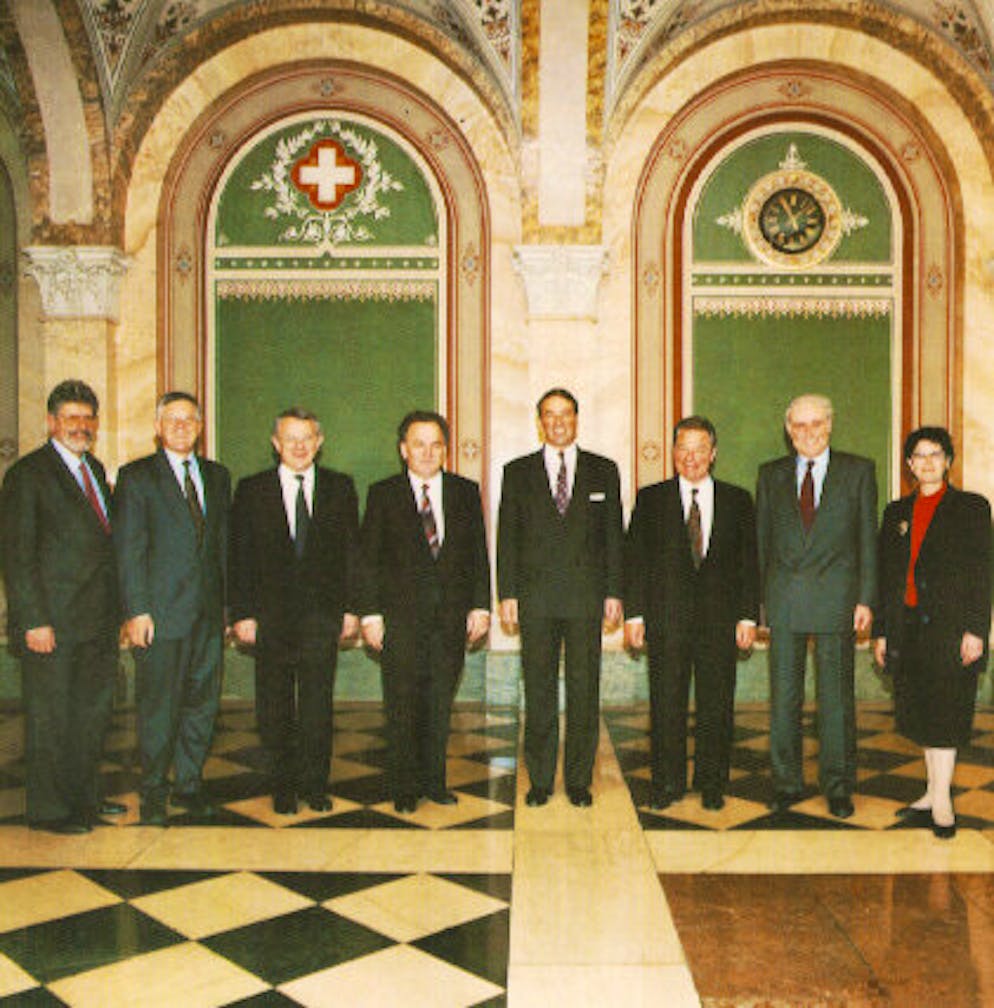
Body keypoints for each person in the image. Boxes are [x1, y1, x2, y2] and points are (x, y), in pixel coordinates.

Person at [1, 380, 124, 834]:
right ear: (52, 422)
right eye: (71, 417)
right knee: (51, 718)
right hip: (51, 623)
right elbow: (17, 555)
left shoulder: (94, 468)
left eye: (88, 417)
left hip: (96, 620)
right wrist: (34, 619)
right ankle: (50, 810)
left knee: (90, 716)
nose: (81, 426)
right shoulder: (27, 475)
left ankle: (84, 797)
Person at [358, 410, 490, 813]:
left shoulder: (465, 492)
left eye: (435, 444)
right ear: (404, 449)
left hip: (450, 621)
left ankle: (435, 782)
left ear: (445, 450)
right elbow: (368, 561)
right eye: (419, 444)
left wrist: (480, 606)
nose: (427, 452)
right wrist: (370, 616)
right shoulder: (383, 494)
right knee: (402, 705)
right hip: (400, 622)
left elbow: (478, 555)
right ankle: (404, 788)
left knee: (439, 705)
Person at [229, 408, 359, 815]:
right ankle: (282, 787)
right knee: (275, 708)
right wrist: (242, 614)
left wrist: (352, 610)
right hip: (270, 619)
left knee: (318, 707)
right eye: (290, 438)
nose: (299, 446)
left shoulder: (340, 488)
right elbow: (239, 557)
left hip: (322, 618)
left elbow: (352, 554)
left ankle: (315, 785)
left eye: (307, 438)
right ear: (276, 443)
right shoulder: (252, 490)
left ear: (319, 443)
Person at [497, 388, 623, 807]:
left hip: (587, 599)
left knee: (585, 691)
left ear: (576, 419)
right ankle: (540, 779)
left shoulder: (604, 470)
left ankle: (579, 780)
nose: (557, 422)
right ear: (540, 423)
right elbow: (507, 536)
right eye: (549, 415)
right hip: (536, 599)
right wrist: (507, 593)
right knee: (539, 690)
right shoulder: (517, 472)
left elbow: (614, 538)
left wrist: (614, 592)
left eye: (565, 413)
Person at [625, 416, 758, 811]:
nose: (691, 457)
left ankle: (712, 782)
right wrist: (634, 616)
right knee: (666, 704)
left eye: (700, 449)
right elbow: (635, 561)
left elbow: (749, 563)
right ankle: (667, 782)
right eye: (683, 448)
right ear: (673, 452)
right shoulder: (651, 499)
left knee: (717, 705)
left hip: (720, 622)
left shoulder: (738, 500)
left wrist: (748, 617)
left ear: (713, 453)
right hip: (666, 621)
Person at [756, 393, 877, 819]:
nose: (808, 432)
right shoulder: (770, 474)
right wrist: (760, 604)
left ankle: (838, 786)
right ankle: (786, 783)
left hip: (837, 599)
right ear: (789, 431)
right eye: (799, 425)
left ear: (830, 425)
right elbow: (761, 542)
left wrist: (866, 598)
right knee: (784, 698)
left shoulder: (858, 471)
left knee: (836, 700)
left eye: (816, 423)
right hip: (784, 599)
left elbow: (867, 540)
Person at [114, 391, 231, 826]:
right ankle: (152, 793)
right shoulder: (136, 477)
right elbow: (129, 550)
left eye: (189, 420)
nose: (182, 426)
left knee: (202, 705)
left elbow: (222, 548)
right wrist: (136, 610)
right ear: (158, 427)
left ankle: (188, 786)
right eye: (173, 419)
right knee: (158, 708)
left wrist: (228, 609)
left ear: (200, 428)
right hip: (159, 617)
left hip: (207, 616)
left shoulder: (218, 476)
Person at [873, 427, 991, 839]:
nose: (927, 462)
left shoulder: (972, 508)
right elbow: (886, 577)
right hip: (906, 628)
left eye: (935, 454)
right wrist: (882, 632)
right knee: (921, 713)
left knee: (946, 713)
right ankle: (930, 792)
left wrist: (976, 629)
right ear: (908, 464)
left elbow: (982, 574)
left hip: (950, 629)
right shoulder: (895, 513)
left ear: (948, 460)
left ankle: (942, 801)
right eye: (919, 456)